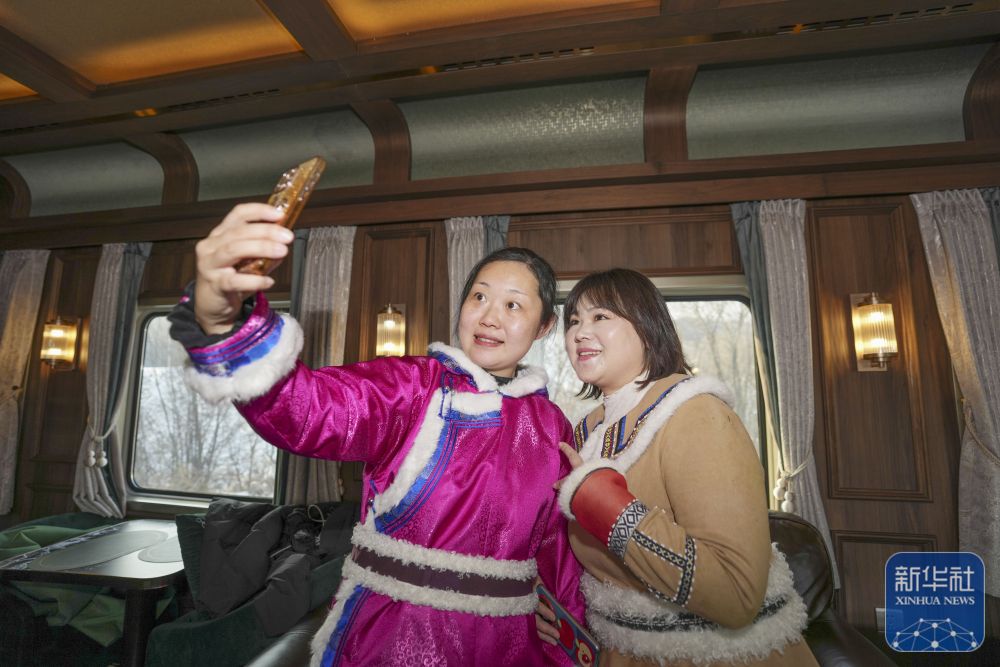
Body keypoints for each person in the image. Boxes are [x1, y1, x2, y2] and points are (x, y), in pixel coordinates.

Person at [168, 202, 584, 667]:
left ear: (544, 326)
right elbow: (309, 409)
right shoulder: (412, 387)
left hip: (510, 646)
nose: (489, 317)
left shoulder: (553, 427)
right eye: (479, 297)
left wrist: (564, 625)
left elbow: (561, 551)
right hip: (391, 635)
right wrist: (224, 322)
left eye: (513, 305)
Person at [537, 268, 817, 666]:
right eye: (574, 320)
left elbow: (736, 594)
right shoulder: (586, 432)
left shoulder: (697, 413)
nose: (580, 332)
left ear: (647, 328)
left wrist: (607, 507)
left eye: (600, 316)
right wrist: (552, 603)